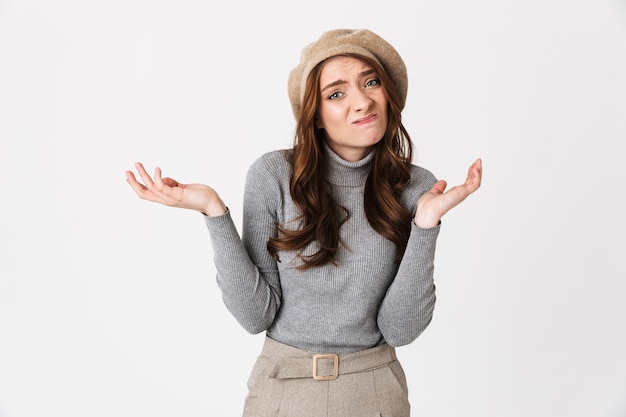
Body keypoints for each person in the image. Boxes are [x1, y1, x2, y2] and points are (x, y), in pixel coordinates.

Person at [126, 28, 482, 417]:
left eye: (371, 81)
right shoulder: (273, 175)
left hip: (375, 391)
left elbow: (401, 330)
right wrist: (213, 210)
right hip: (282, 389)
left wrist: (426, 224)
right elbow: (255, 316)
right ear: (314, 116)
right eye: (337, 93)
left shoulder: (416, 187)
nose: (362, 101)